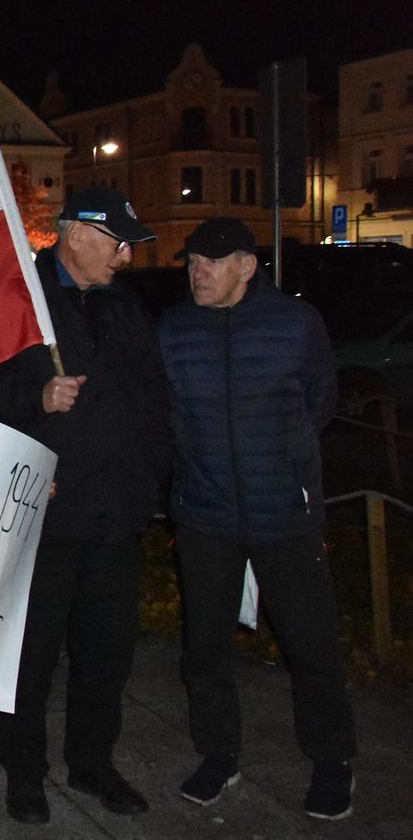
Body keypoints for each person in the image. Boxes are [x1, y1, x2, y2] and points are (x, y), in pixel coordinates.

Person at [0, 185, 170, 824]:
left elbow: (154, 400)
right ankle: (25, 774)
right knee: (30, 656)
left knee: (107, 654)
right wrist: (37, 399)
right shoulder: (20, 302)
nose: (127, 257)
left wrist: (148, 483)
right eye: (118, 243)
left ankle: (93, 763)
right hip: (40, 519)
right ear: (77, 234)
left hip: (115, 516)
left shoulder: (125, 307)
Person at [158, 218, 356, 820]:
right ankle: (218, 756)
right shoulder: (174, 329)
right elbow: (169, 414)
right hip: (205, 515)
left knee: (310, 645)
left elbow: (321, 402)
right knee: (204, 649)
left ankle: (333, 760)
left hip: (284, 514)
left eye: (211, 263)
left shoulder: (296, 324)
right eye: (193, 262)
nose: (198, 273)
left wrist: (284, 463)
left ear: (247, 266)